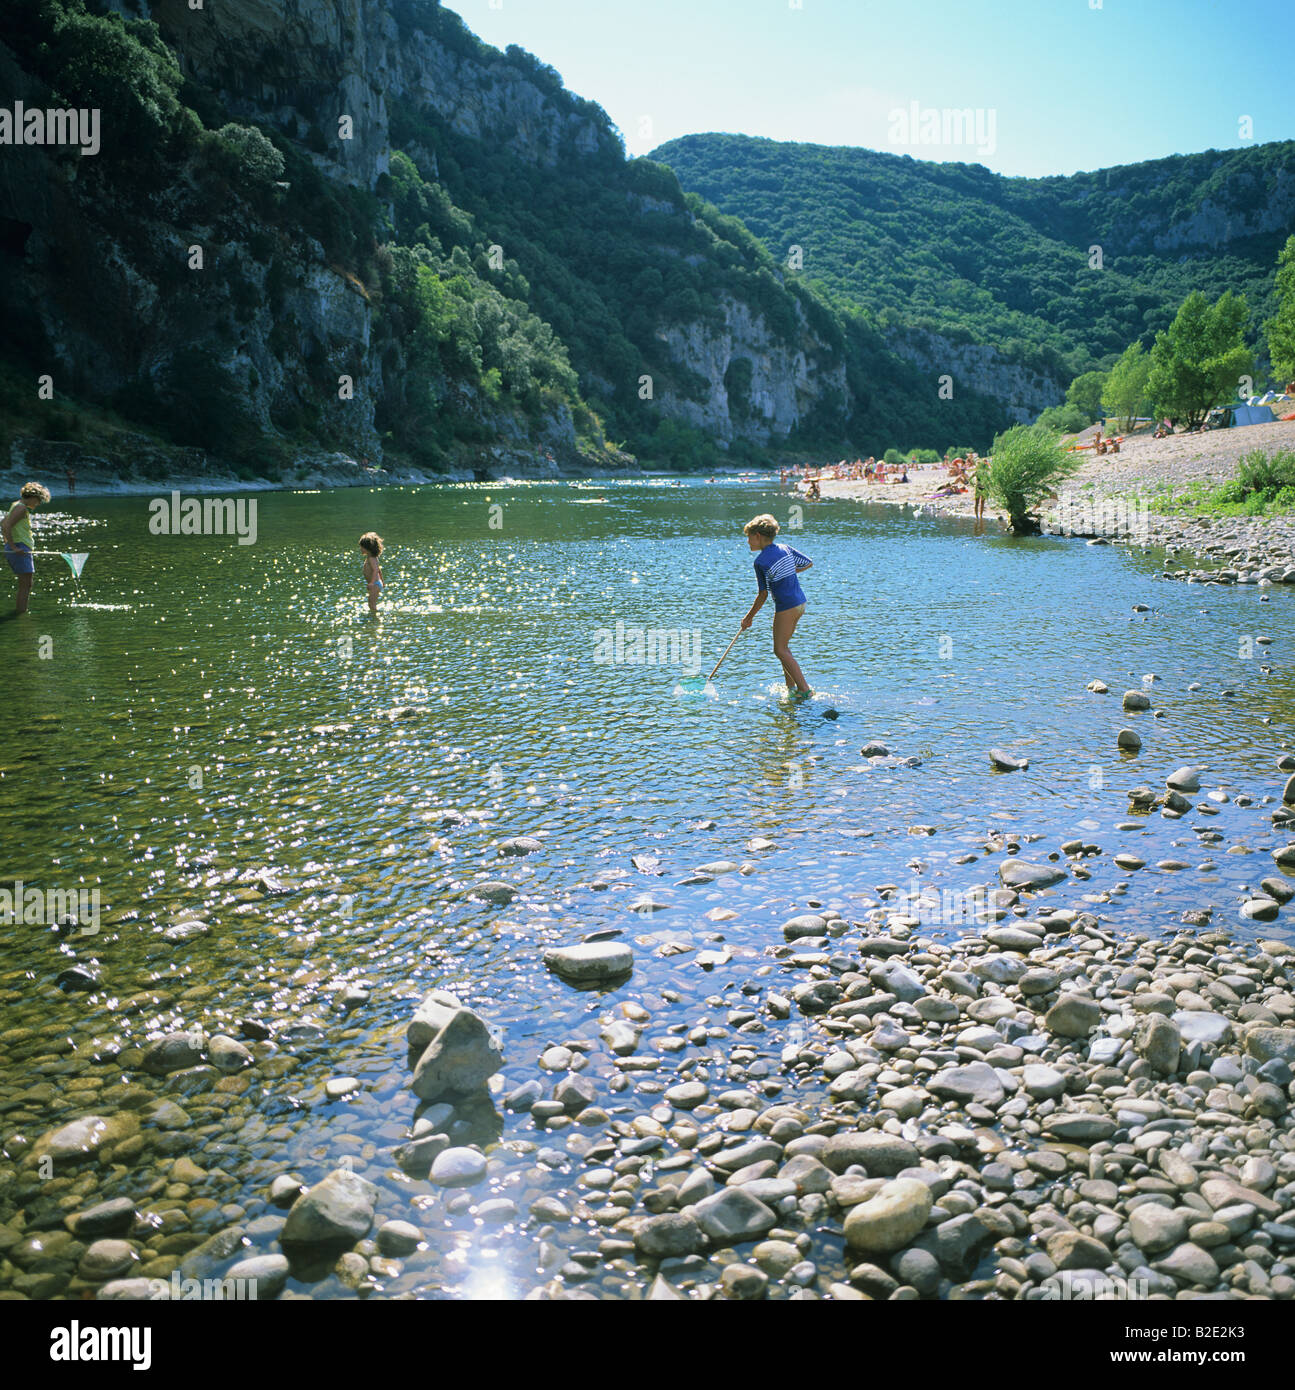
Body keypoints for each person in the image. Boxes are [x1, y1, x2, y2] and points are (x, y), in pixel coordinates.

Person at [741, 514, 813, 700]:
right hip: (800, 603)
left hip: (787, 606)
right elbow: (807, 563)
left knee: (779, 650)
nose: (747, 541)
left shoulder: (760, 562)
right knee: (784, 648)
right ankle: (790, 688)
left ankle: (804, 689)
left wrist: (749, 618)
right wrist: (788, 571)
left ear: (758, 536)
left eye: (749, 537)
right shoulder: (785, 548)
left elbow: (763, 594)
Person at [2, 482, 50, 614]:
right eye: (39, 500)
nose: (38, 504)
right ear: (34, 497)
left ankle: (20, 613)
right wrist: (12, 547)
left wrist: (7, 543)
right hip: (19, 548)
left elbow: (3, 523)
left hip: (19, 547)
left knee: (26, 584)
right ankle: (20, 615)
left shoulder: (17, 505)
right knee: (25, 585)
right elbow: (6, 526)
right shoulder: (21, 508)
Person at [359, 531, 384, 616]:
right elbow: (379, 570)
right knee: (371, 603)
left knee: (371, 604)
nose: (360, 549)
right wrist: (382, 582)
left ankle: (375, 618)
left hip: (375, 584)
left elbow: (375, 570)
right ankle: (374, 616)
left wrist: (372, 583)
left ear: (367, 548)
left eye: (362, 547)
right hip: (376, 583)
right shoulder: (371, 557)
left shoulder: (372, 559)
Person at [973, 455, 989, 520]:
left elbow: (970, 478)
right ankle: (980, 516)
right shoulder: (985, 473)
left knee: (978, 503)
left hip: (979, 487)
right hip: (983, 488)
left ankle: (977, 516)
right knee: (981, 503)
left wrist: (973, 484)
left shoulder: (978, 472)